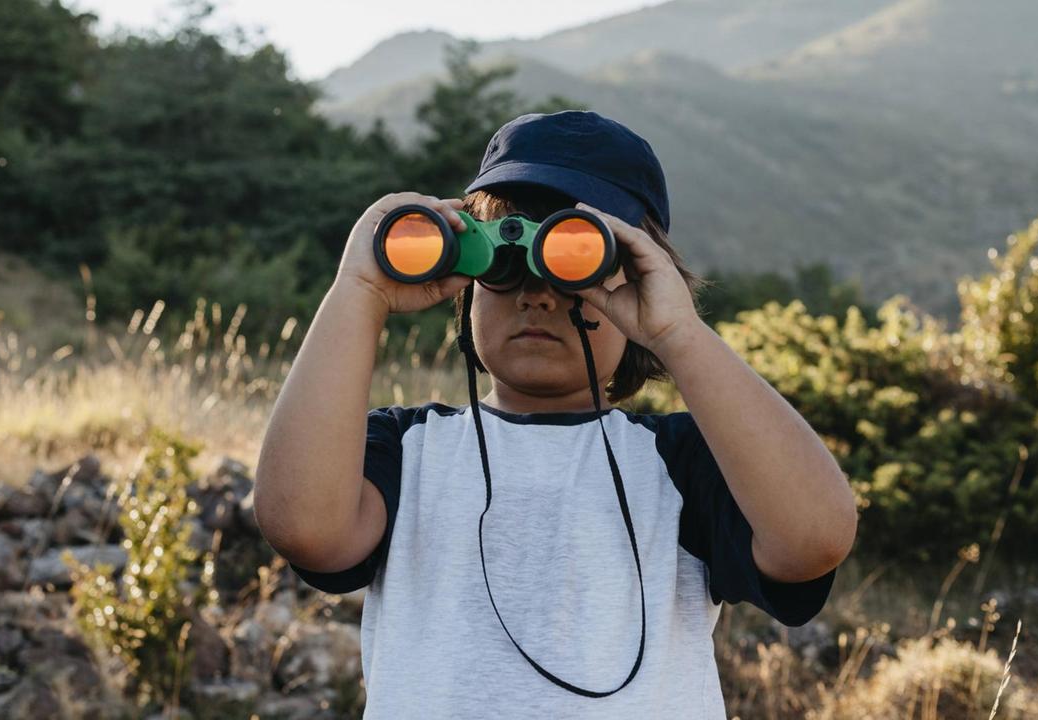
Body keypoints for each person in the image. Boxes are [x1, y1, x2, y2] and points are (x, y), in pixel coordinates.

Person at [254, 110, 857, 718]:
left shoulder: (680, 459)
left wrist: (678, 331)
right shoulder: (407, 449)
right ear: (465, 278)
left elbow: (814, 539)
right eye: (505, 265)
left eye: (573, 260)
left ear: (641, 280)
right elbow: (306, 529)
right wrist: (358, 291)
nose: (537, 293)